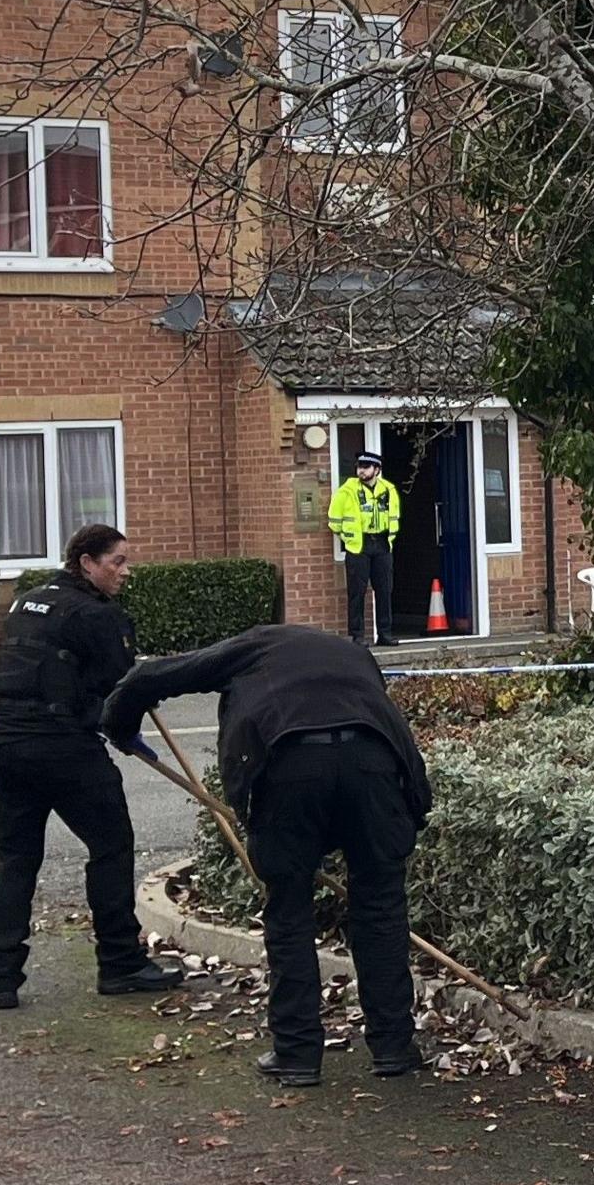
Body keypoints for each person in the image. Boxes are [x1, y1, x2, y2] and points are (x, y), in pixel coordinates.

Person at [102, 623, 432, 1086]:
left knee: (289, 909)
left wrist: (119, 728)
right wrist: (412, 811)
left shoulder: (250, 647)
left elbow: (147, 678)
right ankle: (394, 1047)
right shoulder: (354, 654)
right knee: (380, 908)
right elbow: (388, 728)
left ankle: (296, 1054)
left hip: (288, 770)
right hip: (373, 770)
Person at [0, 523, 178, 1009]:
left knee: (15, 858)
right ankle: (120, 963)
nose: (126, 572)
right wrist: (126, 733)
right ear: (87, 563)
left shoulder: (28, 600)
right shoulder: (99, 615)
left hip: (3, 744)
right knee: (112, 845)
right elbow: (122, 689)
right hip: (61, 749)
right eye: (118, 562)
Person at [327, 452, 403, 644]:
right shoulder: (347, 490)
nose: (361, 470)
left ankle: (384, 634)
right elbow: (334, 521)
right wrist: (347, 537)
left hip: (382, 544)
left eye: (366, 467)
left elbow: (394, 516)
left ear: (377, 470)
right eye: (359, 466)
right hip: (358, 546)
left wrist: (390, 540)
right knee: (357, 592)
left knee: (385, 590)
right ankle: (357, 635)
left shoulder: (389, 490)